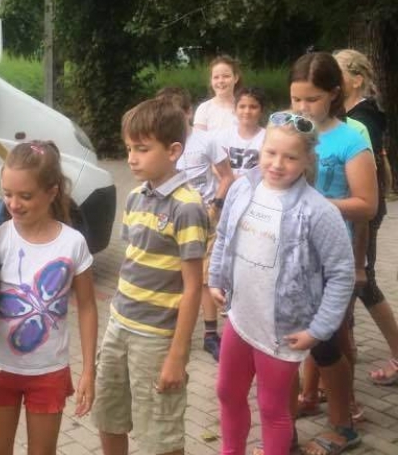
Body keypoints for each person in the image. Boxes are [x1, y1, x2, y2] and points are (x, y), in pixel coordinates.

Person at [210, 112, 355, 455]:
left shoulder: (318, 212)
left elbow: (341, 274)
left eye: (290, 157)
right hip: (241, 318)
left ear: (307, 161)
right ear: (260, 150)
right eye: (270, 153)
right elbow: (223, 235)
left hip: (283, 331)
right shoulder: (242, 188)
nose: (277, 164)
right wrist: (215, 276)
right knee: (227, 394)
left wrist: (319, 329)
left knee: (273, 408)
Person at [92, 97, 208, 455]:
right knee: (108, 416)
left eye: (142, 149)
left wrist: (178, 355)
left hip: (157, 338)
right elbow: (134, 261)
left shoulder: (187, 207)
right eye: (129, 148)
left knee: (160, 433)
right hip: (120, 325)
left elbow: (193, 289)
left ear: (173, 151)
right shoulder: (134, 197)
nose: (131, 158)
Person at [0, 140, 98, 455]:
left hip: (48, 372)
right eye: (7, 194)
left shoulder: (73, 244)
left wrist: (88, 369)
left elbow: (87, 307)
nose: (13, 204)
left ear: (52, 191)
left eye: (25, 196)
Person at [289, 52, 377, 455]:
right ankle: (297, 407)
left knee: (331, 340)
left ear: (334, 94)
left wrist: (316, 202)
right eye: (296, 99)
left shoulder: (350, 140)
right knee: (293, 339)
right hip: (289, 254)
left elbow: (367, 205)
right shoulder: (288, 129)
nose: (302, 109)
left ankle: (343, 425)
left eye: (311, 99)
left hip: (329, 256)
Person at [334, 49, 398, 386]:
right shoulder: (346, 113)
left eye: (338, 72)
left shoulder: (364, 119)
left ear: (357, 79)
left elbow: (364, 178)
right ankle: (345, 351)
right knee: (350, 281)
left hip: (360, 211)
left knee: (364, 280)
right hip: (346, 209)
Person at [159, 87, 234, 362]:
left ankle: (210, 335)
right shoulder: (162, 142)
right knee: (171, 272)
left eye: (177, 114)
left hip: (204, 216)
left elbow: (227, 176)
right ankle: (173, 332)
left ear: (188, 112)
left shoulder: (207, 140)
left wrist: (215, 205)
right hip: (172, 216)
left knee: (202, 277)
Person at [216, 87, 267, 178]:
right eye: (242, 106)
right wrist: (232, 179)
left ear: (261, 111)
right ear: (235, 109)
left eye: (253, 107)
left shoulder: (267, 138)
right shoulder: (224, 137)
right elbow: (215, 167)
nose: (247, 111)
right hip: (229, 187)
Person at [193, 55, 242, 132]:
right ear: (211, 80)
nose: (221, 81)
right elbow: (199, 141)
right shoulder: (204, 109)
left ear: (235, 78)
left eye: (226, 76)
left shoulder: (244, 108)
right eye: (216, 77)